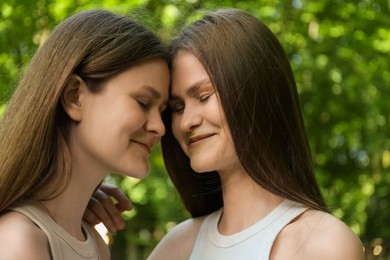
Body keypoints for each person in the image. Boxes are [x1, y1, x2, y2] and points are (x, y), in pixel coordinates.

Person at [87, 8, 364, 259]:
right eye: (178, 107)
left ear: (256, 93)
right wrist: (74, 220)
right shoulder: (178, 246)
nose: (186, 123)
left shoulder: (322, 244)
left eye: (204, 96)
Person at [0, 9, 169, 260]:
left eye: (164, 111)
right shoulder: (19, 242)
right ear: (74, 96)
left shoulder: (95, 245)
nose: (160, 127)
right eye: (143, 102)